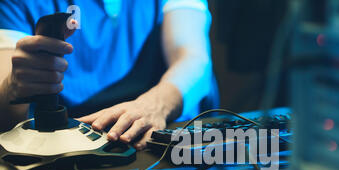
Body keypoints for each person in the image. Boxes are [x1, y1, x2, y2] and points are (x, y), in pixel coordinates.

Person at [0, 0, 214, 150]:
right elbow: (5, 102)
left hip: (160, 140)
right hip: (65, 150)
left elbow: (194, 60)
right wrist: (13, 86)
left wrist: (155, 106)